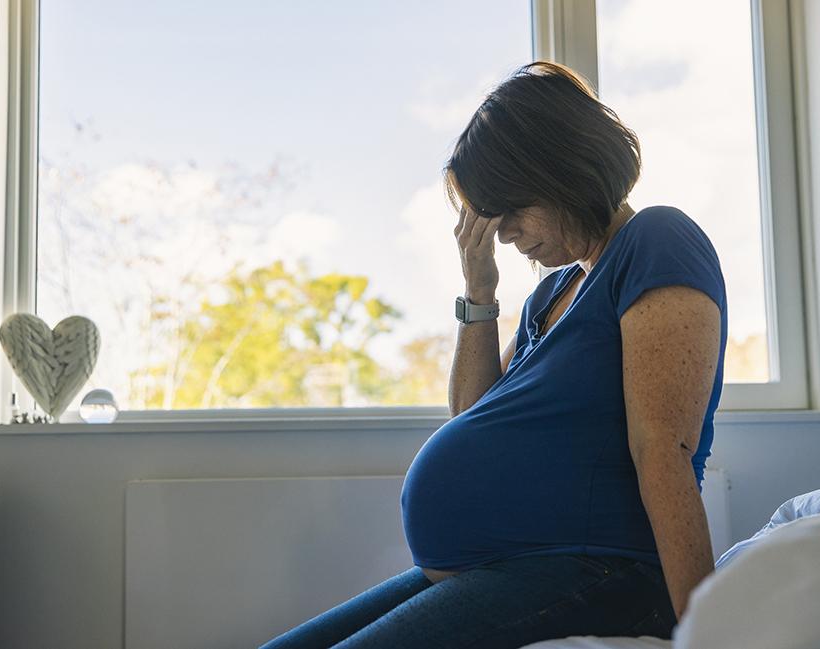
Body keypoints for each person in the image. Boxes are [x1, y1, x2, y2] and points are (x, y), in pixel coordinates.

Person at [260, 60, 728, 649]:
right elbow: (473, 414)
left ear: (564, 170)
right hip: (514, 565)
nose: (502, 233)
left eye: (511, 208)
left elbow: (662, 448)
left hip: (603, 569)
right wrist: (480, 292)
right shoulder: (553, 294)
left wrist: (705, 630)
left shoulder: (656, 241)